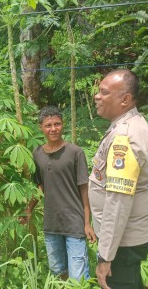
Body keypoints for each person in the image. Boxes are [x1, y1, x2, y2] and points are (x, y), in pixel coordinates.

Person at [89, 69, 148, 289]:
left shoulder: (124, 137)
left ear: (125, 99)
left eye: (104, 92)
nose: (96, 96)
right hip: (126, 238)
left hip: (122, 244)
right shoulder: (130, 124)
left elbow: (118, 202)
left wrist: (105, 256)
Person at [20, 105, 96, 282]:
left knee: (78, 278)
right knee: (57, 269)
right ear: (41, 128)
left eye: (57, 124)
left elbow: (84, 190)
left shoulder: (75, 152)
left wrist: (87, 223)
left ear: (63, 125)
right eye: (48, 125)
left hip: (74, 223)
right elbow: (40, 187)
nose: (53, 129)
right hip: (51, 223)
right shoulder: (37, 153)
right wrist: (28, 209)